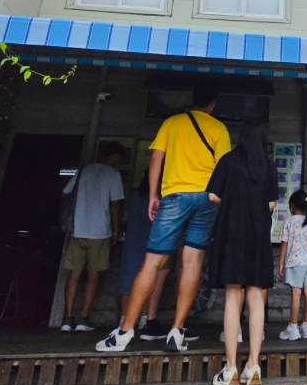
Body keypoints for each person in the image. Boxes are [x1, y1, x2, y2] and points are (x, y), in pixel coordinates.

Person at [96, 83, 230, 353]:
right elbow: (223, 167)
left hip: (174, 197)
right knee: (192, 263)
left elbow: (156, 158)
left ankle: (125, 331)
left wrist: (154, 194)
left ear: (193, 101)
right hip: (205, 198)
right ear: (212, 104)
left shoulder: (172, 123)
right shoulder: (219, 129)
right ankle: (177, 331)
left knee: (152, 262)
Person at [205, 123, 278, 385]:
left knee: (233, 296)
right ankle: (254, 365)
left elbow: (212, 195)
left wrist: (233, 202)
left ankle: (231, 368)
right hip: (257, 236)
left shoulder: (228, 161)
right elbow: (271, 203)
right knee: (256, 297)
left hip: (231, 234)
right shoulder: (268, 166)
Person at [61, 142, 126, 332]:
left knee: (73, 275)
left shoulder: (84, 171)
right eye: (119, 158)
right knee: (93, 276)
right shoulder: (113, 175)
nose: (120, 163)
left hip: (77, 230)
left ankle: (67, 319)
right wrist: (115, 228)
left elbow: (65, 193)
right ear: (113, 156)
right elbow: (115, 205)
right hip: (100, 232)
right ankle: (83, 318)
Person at [119, 176, 172, 340]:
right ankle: (144, 320)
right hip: (155, 240)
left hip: (133, 238)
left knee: (128, 278)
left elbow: (124, 218)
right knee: (152, 277)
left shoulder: (135, 195)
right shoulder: (166, 196)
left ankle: (124, 320)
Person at [278, 190, 307, 340]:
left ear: (292, 205)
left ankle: (293, 327)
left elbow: (284, 243)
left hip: (295, 262)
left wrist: (281, 262)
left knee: (296, 294)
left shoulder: (289, 222)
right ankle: (306, 327)